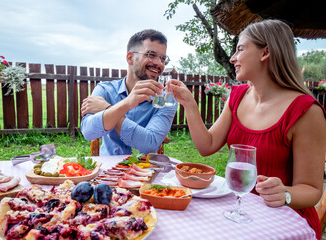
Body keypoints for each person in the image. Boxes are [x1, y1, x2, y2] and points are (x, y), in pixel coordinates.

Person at [168, 19, 326, 239]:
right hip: (239, 214)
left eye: (240, 49)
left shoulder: (307, 112)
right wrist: (189, 105)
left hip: (284, 222)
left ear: (265, 53)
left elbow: (312, 190)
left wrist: (285, 193)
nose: (232, 58)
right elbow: (207, 146)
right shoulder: (237, 96)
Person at [80, 29, 177, 156]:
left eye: (163, 58)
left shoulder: (167, 99)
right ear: (130, 58)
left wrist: (109, 108)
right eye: (151, 55)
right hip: (107, 172)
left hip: (146, 172)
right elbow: (88, 132)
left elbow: (150, 144)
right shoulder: (104, 90)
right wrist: (127, 104)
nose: (159, 63)